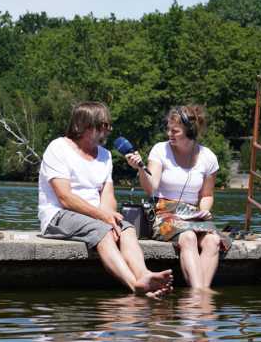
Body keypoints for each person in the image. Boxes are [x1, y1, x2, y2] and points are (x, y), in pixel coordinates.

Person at [38, 101, 173, 298]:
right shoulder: (58, 148)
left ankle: (144, 274)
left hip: (94, 217)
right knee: (103, 231)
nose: (108, 130)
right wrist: (102, 218)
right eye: (103, 126)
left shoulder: (105, 156)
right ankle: (135, 284)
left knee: (126, 228)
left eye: (108, 125)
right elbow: (65, 197)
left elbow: (107, 196)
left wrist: (109, 216)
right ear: (83, 126)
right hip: (58, 215)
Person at [125, 105, 230, 290]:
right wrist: (141, 168)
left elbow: (206, 195)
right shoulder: (160, 150)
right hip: (163, 212)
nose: (169, 134)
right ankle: (200, 296)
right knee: (188, 237)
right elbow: (151, 188)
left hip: (192, 214)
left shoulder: (209, 157)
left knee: (213, 241)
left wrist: (204, 211)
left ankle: (199, 296)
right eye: (168, 129)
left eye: (175, 131)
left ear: (190, 131)